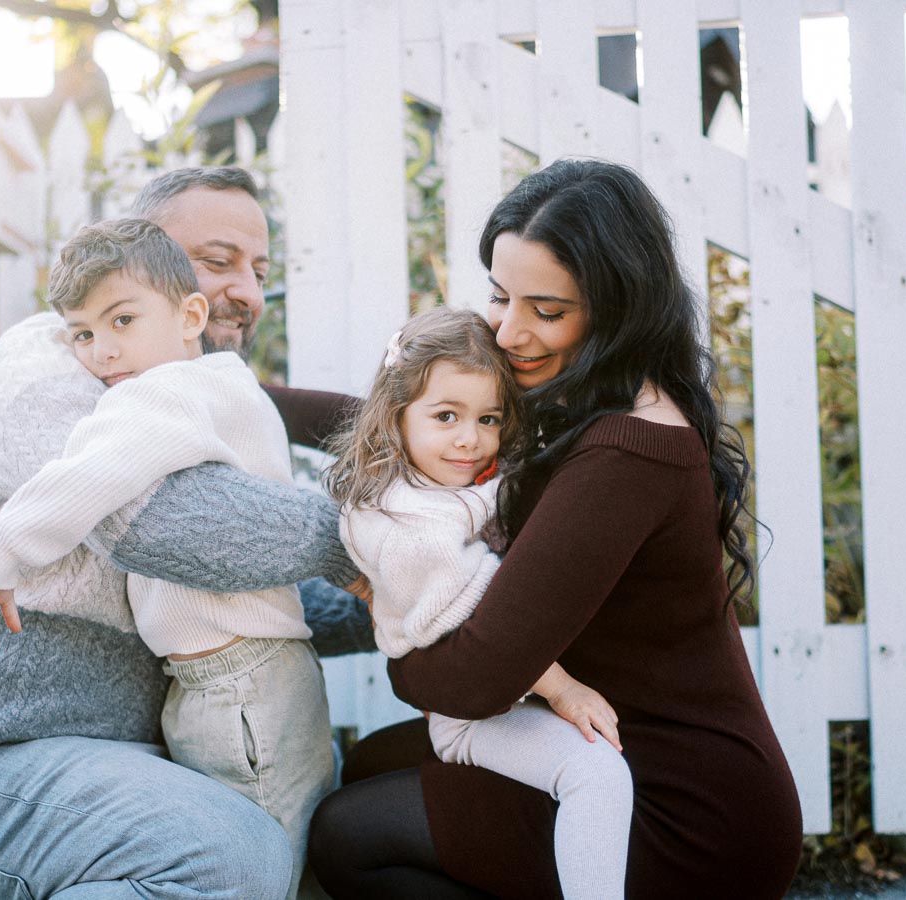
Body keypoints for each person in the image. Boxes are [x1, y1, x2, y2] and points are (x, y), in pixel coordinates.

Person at [0, 167, 372, 900]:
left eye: (258, 270)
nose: (248, 291)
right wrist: (382, 544)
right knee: (238, 859)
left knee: (320, 831)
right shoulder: (53, 367)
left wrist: (407, 606)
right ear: (139, 256)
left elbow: (244, 586)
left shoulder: (164, 381)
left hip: (117, 759)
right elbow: (173, 527)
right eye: (220, 259)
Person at [308, 159, 803, 899]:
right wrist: (237, 394)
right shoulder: (592, 392)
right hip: (603, 740)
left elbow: (478, 680)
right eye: (501, 297)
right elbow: (418, 417)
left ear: (617, 307)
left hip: (684, 811)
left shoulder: (626, 454)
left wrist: (396, 634)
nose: (509, 332)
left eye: (546, 310)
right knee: (376, 761)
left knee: (350, 835)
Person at [0, 217, 333, 898]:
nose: (103, 352)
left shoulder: (165, 392)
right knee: (277, 852)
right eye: (83, 334)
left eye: (122, 320)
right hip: (236, 676)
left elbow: (87, 474)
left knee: (266, 862)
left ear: (191, 316)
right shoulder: (221, 387)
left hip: (237, 683)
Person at [323, 306, 633, 899]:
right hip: (476, 715)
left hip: (505, 693)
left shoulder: (451, 483)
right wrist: (564, 688)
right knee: (594, 772)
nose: (470, 439)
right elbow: (488, 616)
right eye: (446, 416)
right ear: (395, 417)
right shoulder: (405, 526)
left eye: (488, 418)